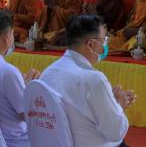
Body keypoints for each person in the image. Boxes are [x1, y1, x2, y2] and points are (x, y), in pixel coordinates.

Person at [40, 15, 135, 147]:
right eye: (104, 40)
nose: (105, 45)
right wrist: (119, 104)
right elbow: (116, 132)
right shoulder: (94, 79)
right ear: (91, 44)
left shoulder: (49, 72)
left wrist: (109, 100)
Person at [0, 10, 40, 147]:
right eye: (12, 33)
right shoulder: (8, 72)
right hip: (15, 140)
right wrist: (30, 87)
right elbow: (27, 114)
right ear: (7, 37)